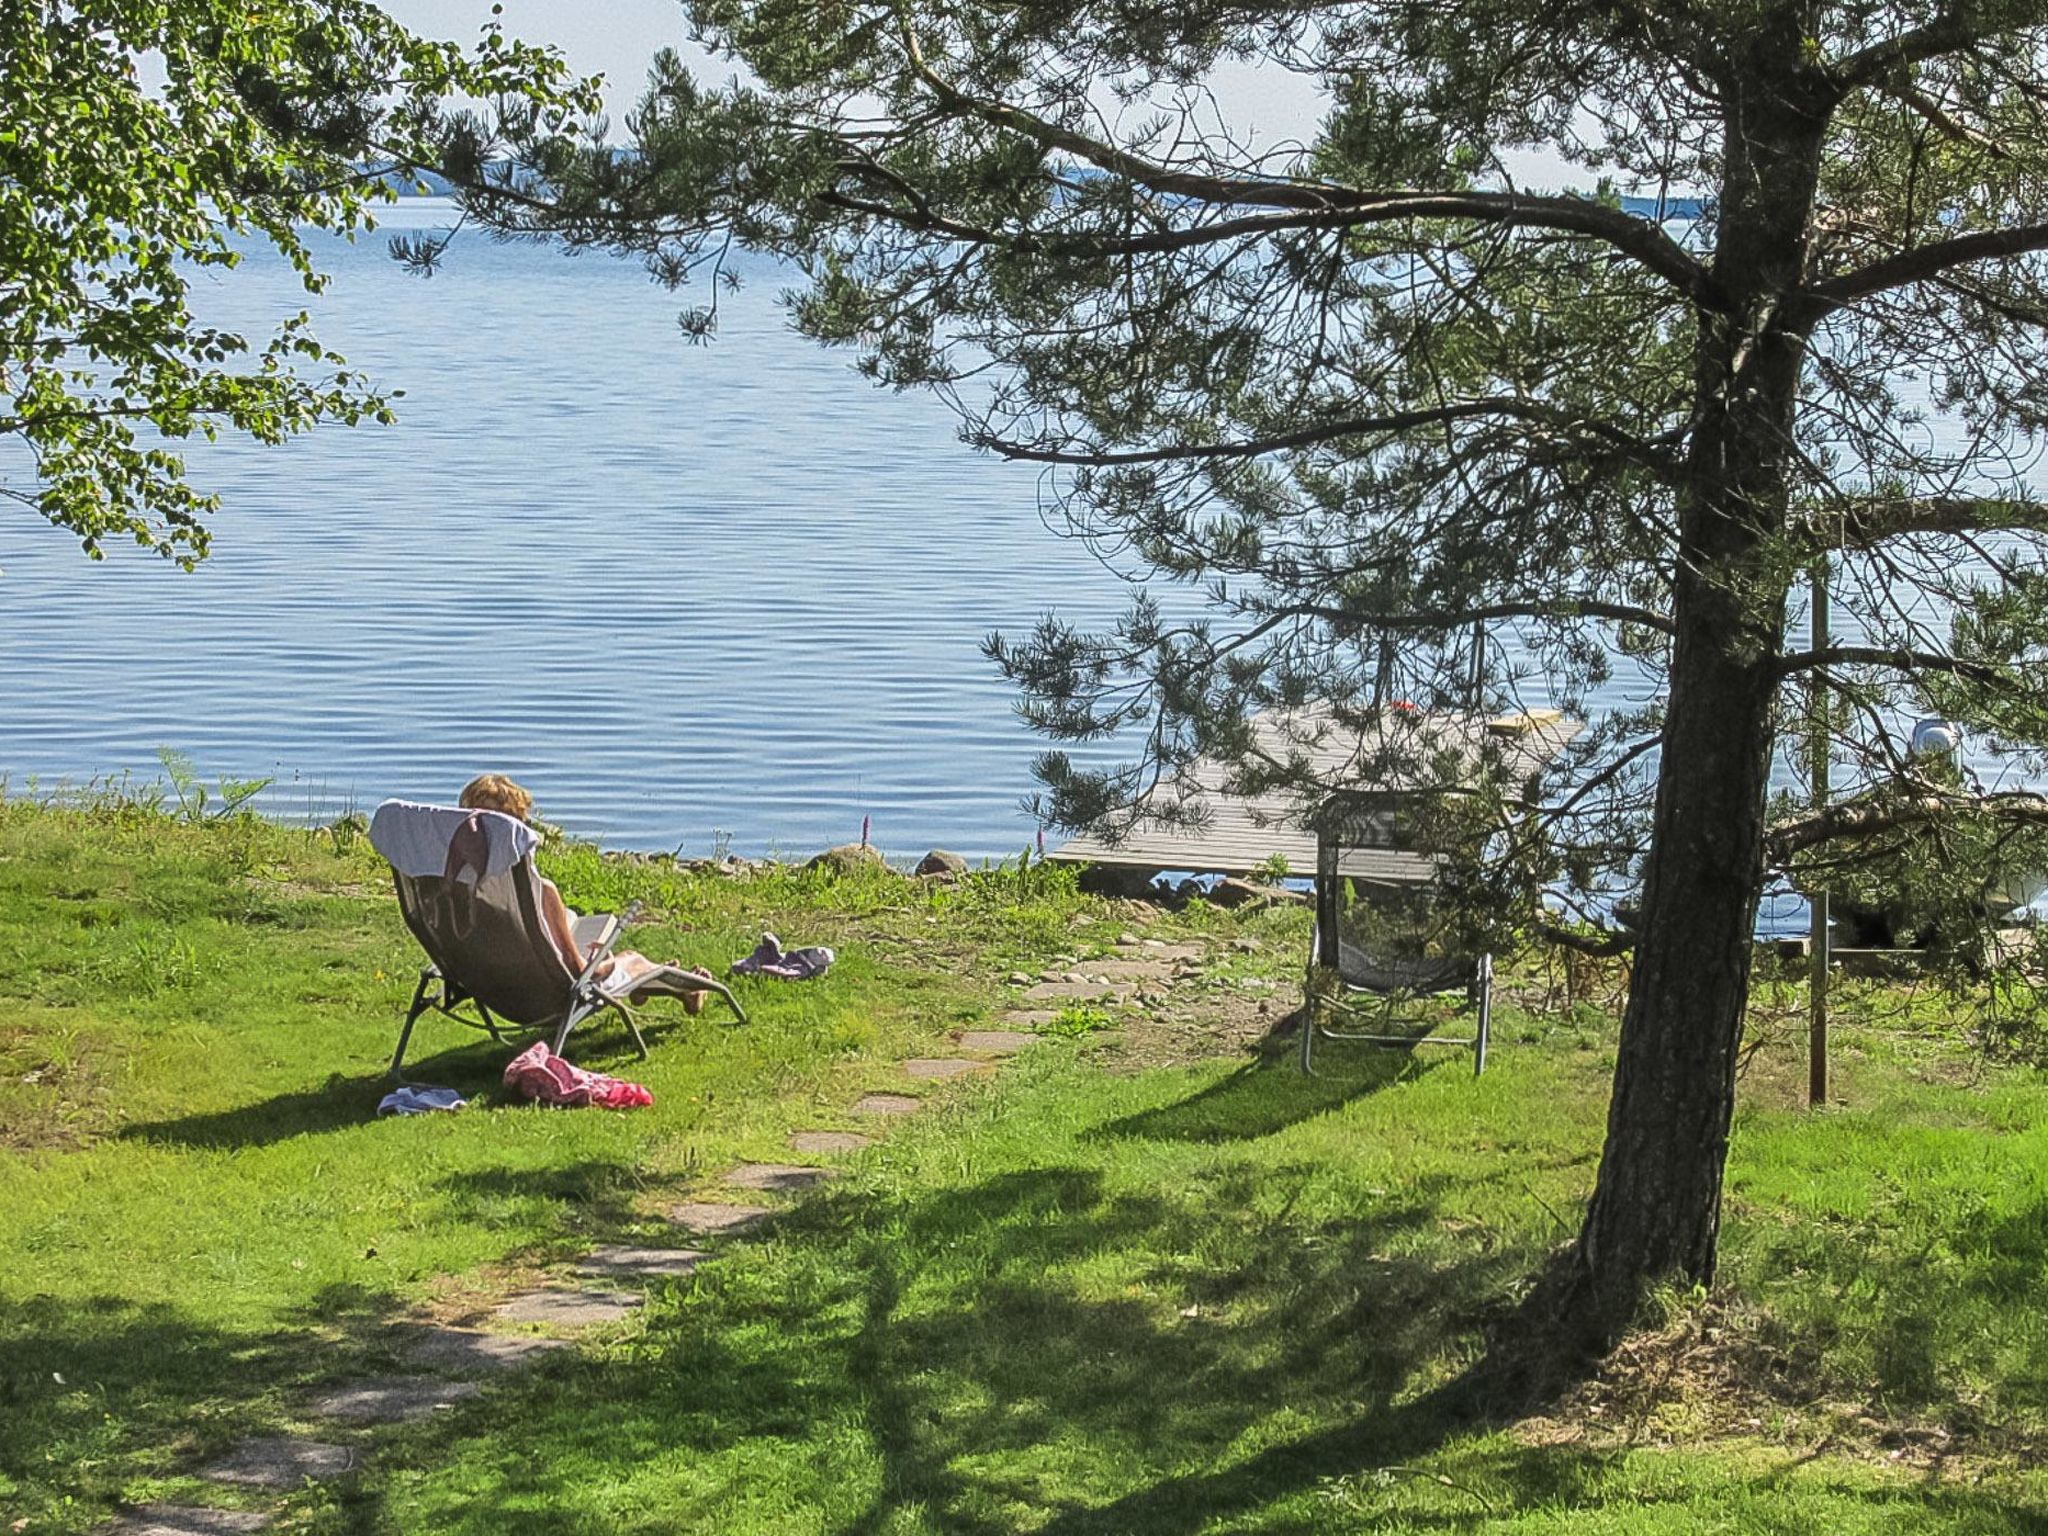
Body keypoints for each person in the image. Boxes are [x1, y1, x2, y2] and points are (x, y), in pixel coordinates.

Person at [457, 773, 707, 1013]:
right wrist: (604, 960)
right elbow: (581, 973)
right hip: (553, 995)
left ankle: (658, 981)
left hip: (498, 991)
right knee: (631, 958)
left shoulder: (455, 889)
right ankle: (677, 984)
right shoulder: (541, 891)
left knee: (597, 943)